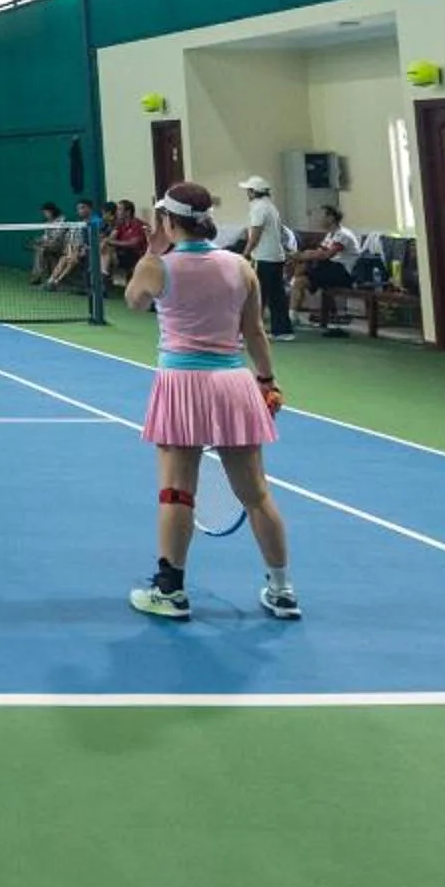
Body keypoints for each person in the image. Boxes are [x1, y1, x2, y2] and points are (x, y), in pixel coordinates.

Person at [123, 180, 299, 623]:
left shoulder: (156, 267)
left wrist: (151, 249)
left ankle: (170, 592)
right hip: (234, 384)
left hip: (183, 383)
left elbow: (132, 302)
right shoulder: (240, 266)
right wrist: (267, 381)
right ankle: (282, 591)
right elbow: (255, 332)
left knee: (176, 492)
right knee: (257, 495)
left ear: (167, 219)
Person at [228, 176, 296, 339]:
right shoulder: (271, 207)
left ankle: (250, 330)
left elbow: (255, 234)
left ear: (253, 192)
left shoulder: (258, 208)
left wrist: (246, 253)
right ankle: (283, 331)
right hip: (276, 256)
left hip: (263, 257)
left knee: (256, 294)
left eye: (248, 191)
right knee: (276, 295)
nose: (247, 193)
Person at [105, 200, 149, 287]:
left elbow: (133, 244)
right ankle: (103, 274)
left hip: (135, 255)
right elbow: (110, 238)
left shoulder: (137, 224)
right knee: (104, 248)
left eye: (119, 209)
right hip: (121, 253)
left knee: (107, 250)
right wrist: (110, 240)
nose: (116, 212)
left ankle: (103, 274)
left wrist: (112, 242)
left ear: (128, 212)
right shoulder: (120, 224)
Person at [27, 202, 68, 285]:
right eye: (44, 213)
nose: (45, 214)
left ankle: (38, 276)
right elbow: (46, 236)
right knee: (39, 249)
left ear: (51, 211)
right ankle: (40, 276)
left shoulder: (62, 220)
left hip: (61, 245)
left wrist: (45, 242)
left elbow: (59, 237)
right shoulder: (47, 222)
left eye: (46, 212)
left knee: (40, 249)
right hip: (50, 245)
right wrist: (39, 240)